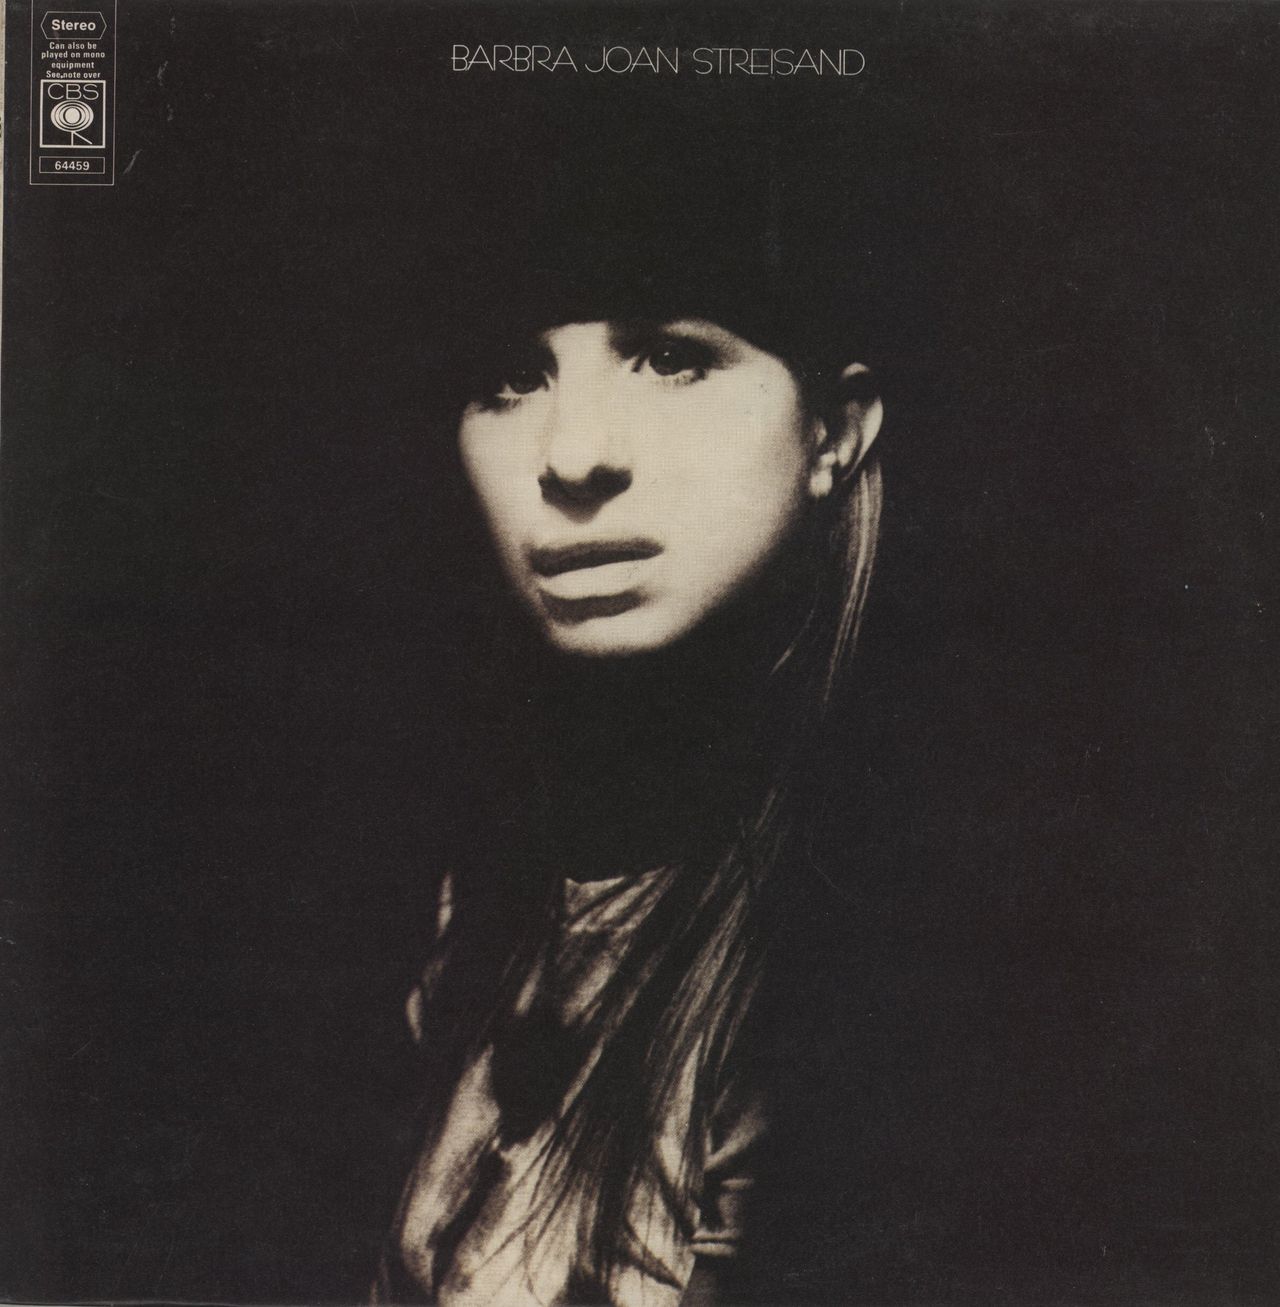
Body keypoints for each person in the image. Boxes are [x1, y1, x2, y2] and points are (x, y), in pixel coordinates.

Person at [369, 265, 888, 1304]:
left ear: (832, 435)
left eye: (670, 358)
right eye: (511, 378)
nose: (571, 455)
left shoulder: (899, 967)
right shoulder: (468, 894)